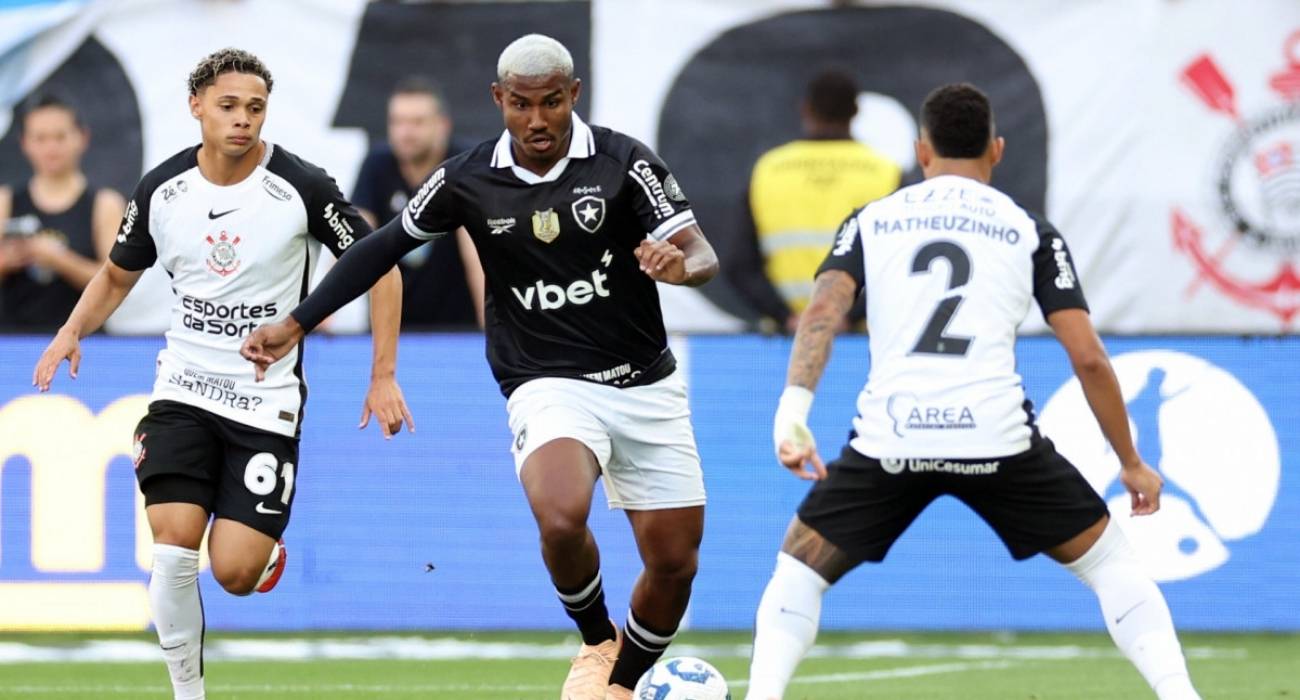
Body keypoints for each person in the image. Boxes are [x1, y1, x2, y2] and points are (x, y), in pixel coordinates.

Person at [242, 34, 719, 700]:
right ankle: (596, 640)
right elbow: (379, 248)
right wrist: (296, 322)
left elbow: (700, 252)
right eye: (521, 104)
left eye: (551, 102)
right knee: (561, 516)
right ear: (499, 99)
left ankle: (622, 684)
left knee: (673, 564)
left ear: (573, 95)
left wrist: (681, 266)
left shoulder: (623, 162)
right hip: (546, 380)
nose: (537, 119)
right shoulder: (467, 179)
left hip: (645, 381)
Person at [747, 83, 1200, 700]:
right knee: (1111, 565)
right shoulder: (1029, 230)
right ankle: (1180, 694)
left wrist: (792, 412)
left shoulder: (872, 220)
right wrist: (1131, 462)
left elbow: (823, 311)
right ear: (997, 149)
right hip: (997, 440)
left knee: (798, 572)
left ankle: (762, 696)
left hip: (892, 439)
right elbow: (1089, 358)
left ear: (921, 150)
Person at [31, 48, 411, 700]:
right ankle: (188, 692)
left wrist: (383, 375)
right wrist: (71, 331)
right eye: (228, 106)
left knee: (233, 572)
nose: (242, 119)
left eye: (255, 108)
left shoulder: (301, 186)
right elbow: (117, 275)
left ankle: (261, 554)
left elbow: (383, 266)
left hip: (264, 401)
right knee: (174, 546)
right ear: (196, 107)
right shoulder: (163, 188)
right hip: (182, 389)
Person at [728, 69, 899, 334]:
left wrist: (786, 316)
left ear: (805, 109)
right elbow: (899, 263)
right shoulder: (885, 171)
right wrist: (847, 317)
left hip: (789, 339)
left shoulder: (769, 170)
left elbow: (740, 265)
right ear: (855, 111)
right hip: (860, 340)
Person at [352, 76, 485, 329]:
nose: (405, 133)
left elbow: (478, 248)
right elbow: (353, 238)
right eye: (397, 122)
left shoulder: (464, 163)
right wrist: (322, 311)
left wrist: (491, 334)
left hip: (458, 334)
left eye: (417, 122)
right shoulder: (377, 165)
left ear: (443, 125)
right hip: (390, 333)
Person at [0, 93, 125, 332]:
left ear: (82, 137)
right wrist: (7, 261)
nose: (51, 148)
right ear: (25, 143)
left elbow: (116, 284)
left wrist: (58, 259)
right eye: (40, 138)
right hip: (13, 342)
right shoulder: (5, 201)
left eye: (60, 137)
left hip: (84, 341)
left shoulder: (105, 204)